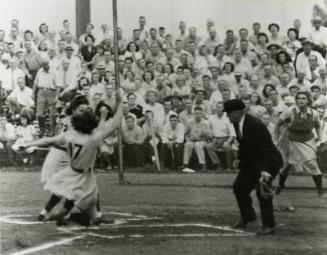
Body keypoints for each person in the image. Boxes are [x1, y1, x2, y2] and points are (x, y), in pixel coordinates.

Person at [22, 93, 123, 225]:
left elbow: (47, 140)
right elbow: (114, 125)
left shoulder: (69, 135)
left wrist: (27, 144)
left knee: (71, 194)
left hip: (70, 171)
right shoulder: (93, 139)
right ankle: (64, 214)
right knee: (88, 209)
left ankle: (57, 213)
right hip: (83, 174)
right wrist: (120, 104)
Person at [224, 99, 283, 235]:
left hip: (269, 161)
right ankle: (248, 216)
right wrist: (240, 158)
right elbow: (244, 143)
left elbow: (266, 149)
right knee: (239, 187)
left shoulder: (254, 125)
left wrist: (265, 170)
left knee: (262, 191)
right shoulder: (236, 122)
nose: (227, 116)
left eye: (229, 113)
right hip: (253, 161)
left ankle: (269, 225)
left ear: (239, 112)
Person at [275, 91, 326, 197]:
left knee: (312, 164)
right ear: (296, 100)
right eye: (299, 98)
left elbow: (317, 127)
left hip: (308, 140)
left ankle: (320, 192)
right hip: (292, 140)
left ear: (308, 100)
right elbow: (278, 124)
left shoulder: (314, 113)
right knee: (287, 166)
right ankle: (280, 186)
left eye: (303, 98)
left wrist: (321, 140)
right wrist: (275, 139)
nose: (301, 100)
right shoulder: (290, 111)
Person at [206, 102, 235, 171]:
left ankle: (229, 166)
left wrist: (228, 142)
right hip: (215, 140)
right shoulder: (211, 118)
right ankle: (218, 164)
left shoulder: (228, 118)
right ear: (216, 108)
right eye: (218, 107)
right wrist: (210, 137)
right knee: (208, 146)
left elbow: (232, 134)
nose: (220, 109)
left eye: (222, 107)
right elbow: (209, 131)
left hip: (225, 139)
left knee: (227, 146)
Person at [183, 106, 211, 171]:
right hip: (192, 140)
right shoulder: (189, 121)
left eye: (199, 113)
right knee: (187, 144)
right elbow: (185, 133)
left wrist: (205, 134)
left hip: (202, 141)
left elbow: (210, 136)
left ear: (202, 114)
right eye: (196, 113)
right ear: (194, 114)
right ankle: (185, 165)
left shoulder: (206, 123)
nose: (198, 115)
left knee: (198, 145)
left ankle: (203, 165)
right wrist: (187, 139)